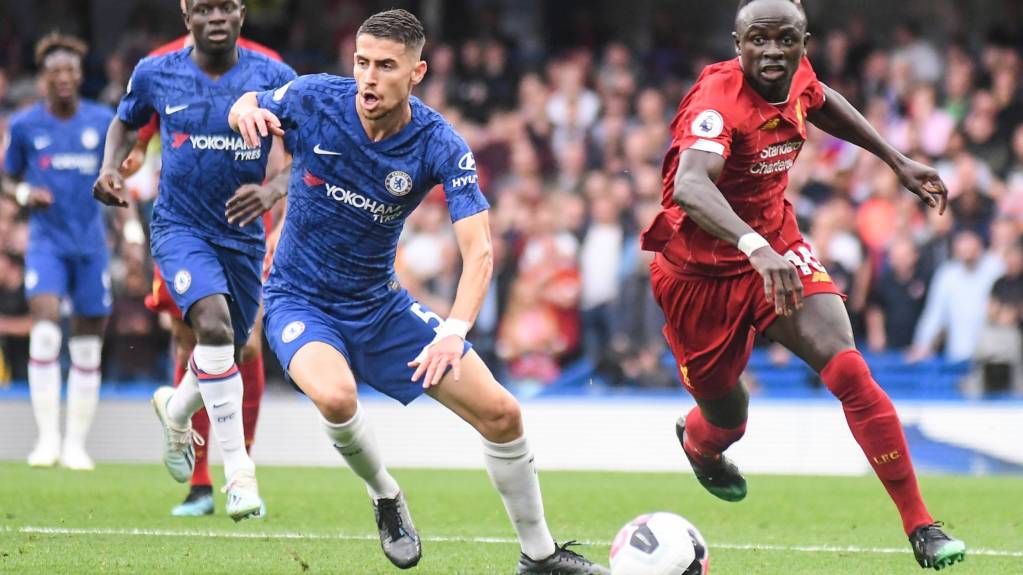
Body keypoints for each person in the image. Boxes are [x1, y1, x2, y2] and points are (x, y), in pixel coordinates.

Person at [229, 9, 608, 574]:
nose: (369, 78)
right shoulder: (314, 98)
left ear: (417, 73)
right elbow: (254, 100)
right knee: (335, 397)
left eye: (386, 66)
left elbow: (479, 250)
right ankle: (385, 495)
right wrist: (245, 107)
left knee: (503, 413)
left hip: (381, 308)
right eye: (362, 63)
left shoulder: (439, 144)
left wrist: (453, 332)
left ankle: (540, 555)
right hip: (298, 299)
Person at [640, 0, 965, 569]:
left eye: (785, 40)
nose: (773, 52)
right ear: (737, 44)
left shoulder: (798, 76)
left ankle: (922, 527)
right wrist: (754, 249)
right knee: (726, 420)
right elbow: (691, 185)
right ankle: (699, 443)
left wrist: (895, 159)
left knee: (847, 367)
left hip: (777, 248)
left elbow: (821, 101)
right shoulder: (717, 104)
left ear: (803, 41)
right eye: (758, 41)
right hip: (697, 275)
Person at [93, 0, 296, 522]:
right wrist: (111, 168)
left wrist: (274, 188)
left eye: (226, 6)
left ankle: (177, 408)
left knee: (236, 346)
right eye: (204, 7)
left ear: (242, 12)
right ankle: (233, 478)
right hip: (180, 228)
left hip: (246, 233)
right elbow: (125, 124)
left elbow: (307, 148)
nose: (216, 17)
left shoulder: (272, 73)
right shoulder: (158, 70)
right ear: (186, 14)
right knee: (209, 327)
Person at [1, 33, 113, 471]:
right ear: (42, 79)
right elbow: (7, 180)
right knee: (46, 332)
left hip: (91, 246)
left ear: (81, 76)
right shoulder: (26, 125)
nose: (63, 79)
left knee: (87, 348)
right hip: (46, 245)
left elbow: (117, 178)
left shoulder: (102, 121)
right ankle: (47, 440)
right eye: (54, 73)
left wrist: (132, 234)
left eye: (70, 71)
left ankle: (76, 444)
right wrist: (25, 192)